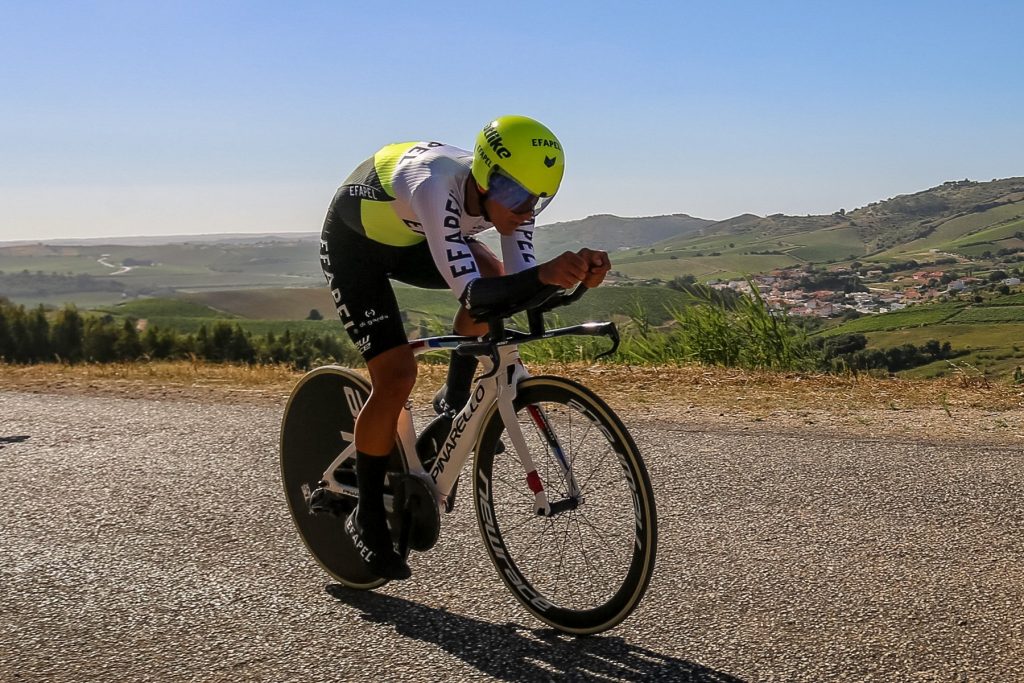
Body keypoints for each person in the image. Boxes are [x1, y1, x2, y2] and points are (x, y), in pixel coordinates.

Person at [319, 115, 610, 579]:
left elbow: (522, 287)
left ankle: (454, 399)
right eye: (517, 195)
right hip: (355, 246)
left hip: (413, 239)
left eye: (540, 199)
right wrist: (545, 276)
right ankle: (367, 514)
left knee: (500, 278)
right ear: (485, 175)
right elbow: (474, 297)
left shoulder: (516, 202)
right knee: (397, 376)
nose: (526, 210)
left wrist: (573, 280)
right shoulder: (435, 185)